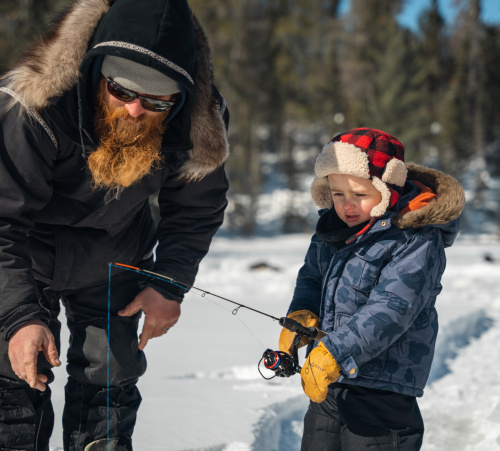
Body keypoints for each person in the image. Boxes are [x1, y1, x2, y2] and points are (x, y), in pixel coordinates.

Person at [0, 0, 229, 450]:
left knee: (110, 380)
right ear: (94, 71)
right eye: (121, 90)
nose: (134, 110)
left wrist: (168, 284)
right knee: (14, 375)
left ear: (179, 100)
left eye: (156, 100)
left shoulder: (199, 124)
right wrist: (18, 316)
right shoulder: (35, 104)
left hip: (116, 256)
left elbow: (195, 210)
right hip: (23, 255)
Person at [278, 128, 465, 450]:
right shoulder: (333, 229)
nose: (347, 206)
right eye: (338, 194)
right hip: (331, 380)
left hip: (383, 387)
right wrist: (302, 311)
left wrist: (336, 350)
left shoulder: (416, 238)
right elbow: (311, 277)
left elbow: (393, 306)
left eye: (360, 195)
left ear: (388, 189)